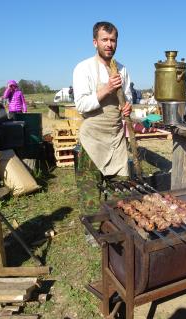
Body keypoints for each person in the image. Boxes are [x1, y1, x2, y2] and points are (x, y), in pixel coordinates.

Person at [72, 21, 132, 215]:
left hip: (115, 138)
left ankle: (118, 224)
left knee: (121, 188)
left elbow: (127, 98)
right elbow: (81, 105)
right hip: (93, 139)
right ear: (94, 42)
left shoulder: (123, 70)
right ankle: (93, 228)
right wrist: (107, 89)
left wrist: (127, 107)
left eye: (113, 40)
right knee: (89, 190)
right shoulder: (83, 68)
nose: (109, 44)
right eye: (104, 39)